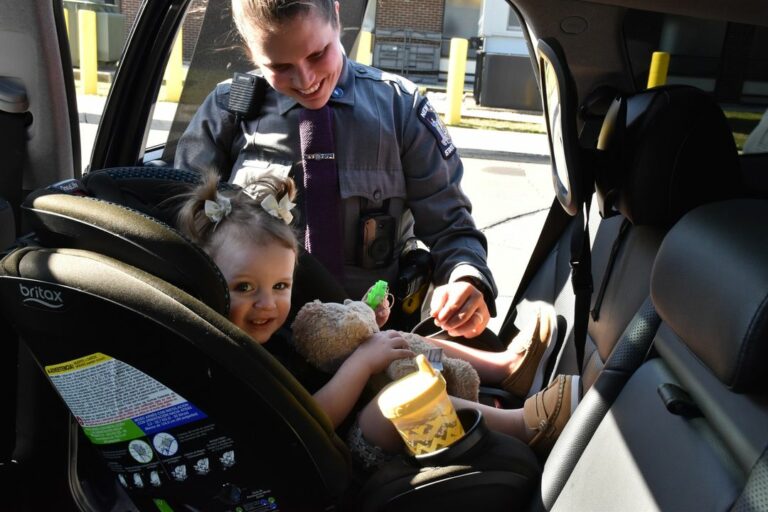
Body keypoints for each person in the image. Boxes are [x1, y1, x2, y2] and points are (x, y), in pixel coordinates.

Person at [176, 171, 579, 470]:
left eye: (280, 286)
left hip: (354, 410)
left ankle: (506, 369)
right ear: (208, 281)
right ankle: (524, 426)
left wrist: (365, 323)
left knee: (397, 339)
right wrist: (363, 362)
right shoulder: (229, 359)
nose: (267, 304)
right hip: (340, 453)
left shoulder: (271, 332)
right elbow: (309, 422)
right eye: (245, 287)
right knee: (397, 403)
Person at [174, 0, 497, 339]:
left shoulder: (400, 109)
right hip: (256, 340)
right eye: (280, 66)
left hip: (373, 335)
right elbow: (183, 229)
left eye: (317, 54)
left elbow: (451, 227)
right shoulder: (229, 111)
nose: (306, 80)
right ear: (251, 50)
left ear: (337, 18)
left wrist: (466, 277)